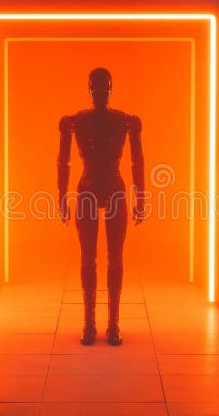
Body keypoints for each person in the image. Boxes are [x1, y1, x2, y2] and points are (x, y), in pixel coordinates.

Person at [57, 67, 146, 346]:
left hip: (114, 187)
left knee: (115, 258)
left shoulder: (126, 122)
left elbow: (137, 162)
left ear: (111, 89)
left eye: (104, 90)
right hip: (87, 188)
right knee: (88, 259)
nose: (100, 95)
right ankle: (89, 321)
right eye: (95, 90)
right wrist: (61, 196)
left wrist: (141, 197)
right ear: (88, 89)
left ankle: (113, 322)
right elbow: (63, 161)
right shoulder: (74, 122)